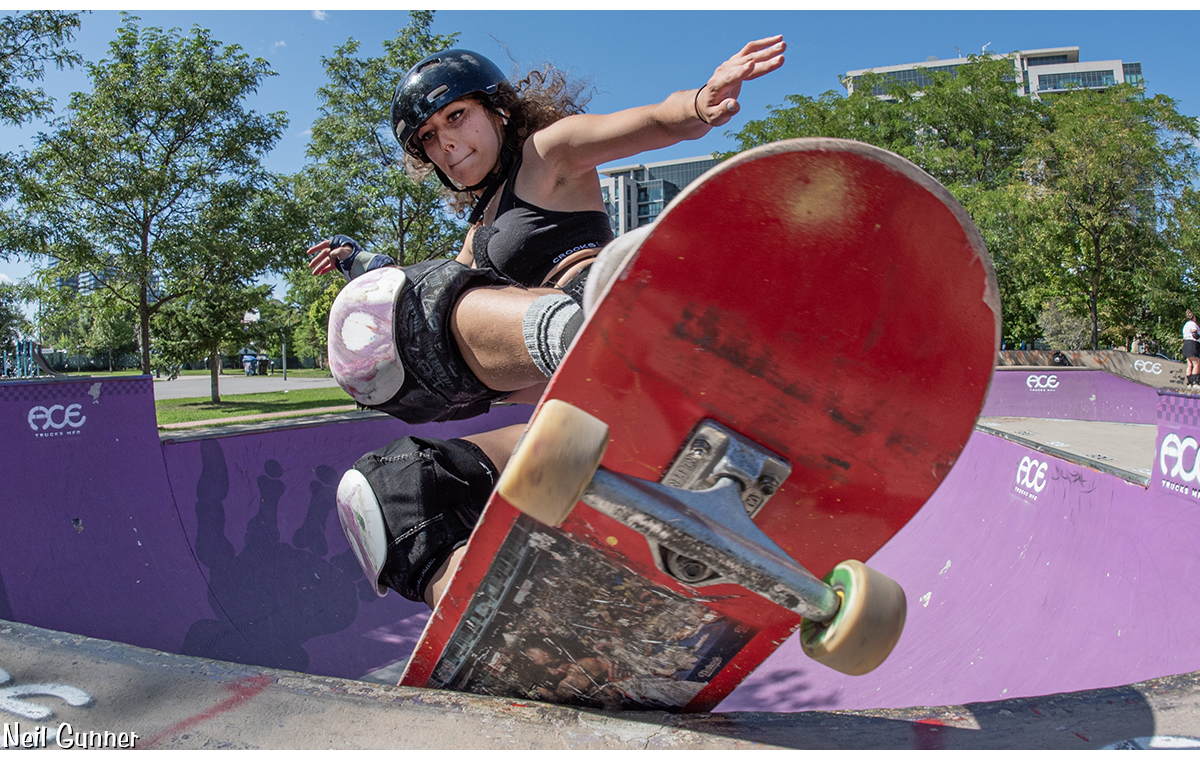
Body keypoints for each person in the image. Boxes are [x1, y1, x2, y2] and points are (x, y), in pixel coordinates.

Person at [326, 38, 787, 609]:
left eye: (457, 116)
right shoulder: (473, 242)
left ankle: (613, 338)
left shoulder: (547, 154)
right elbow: (440, 335)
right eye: (429, 138)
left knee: (420, 305)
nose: (447, 142)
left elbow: (647, 122)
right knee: (392, 487)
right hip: (582, 419)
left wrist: (699, 102)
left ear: (498, 110)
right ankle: (488, 612)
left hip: (618, 321)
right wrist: (361, 271)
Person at [1184, 310, 1200, 388]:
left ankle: (1189, 383)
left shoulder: (1185, 325)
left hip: (1186, 344)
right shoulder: (1193, 324)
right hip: (1192, 344)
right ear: (1194, 317)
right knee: (1196, 363)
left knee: (1189, 364)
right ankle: (1195, 382)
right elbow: (1195, 334)